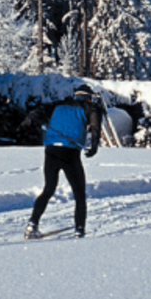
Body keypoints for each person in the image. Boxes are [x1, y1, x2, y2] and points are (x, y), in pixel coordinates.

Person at [25, 83, 105, 239]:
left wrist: (30, 118)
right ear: (88, 98)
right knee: (79, 194)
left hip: (51, 151)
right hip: (70, 153)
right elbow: (95, 128)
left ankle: (31, 225)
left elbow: (40, 111)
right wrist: (93, 146)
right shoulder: (89, 107)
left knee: (48, 190)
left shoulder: (58, 104)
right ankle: (79, 231)